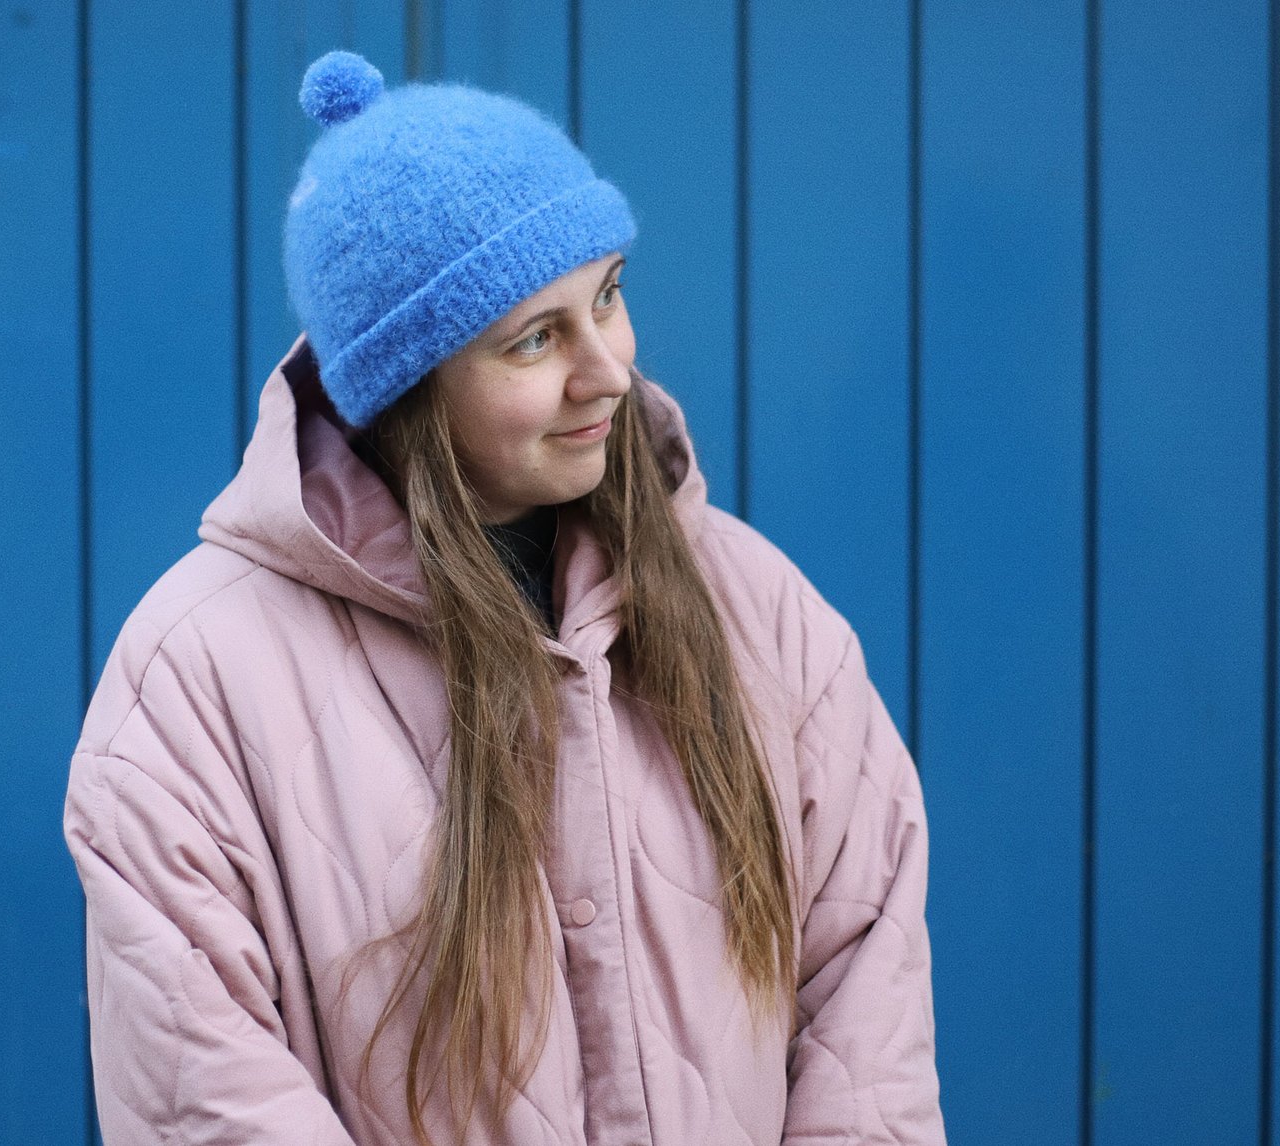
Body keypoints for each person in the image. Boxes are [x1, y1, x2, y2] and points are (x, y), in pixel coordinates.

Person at [64, 50, 945, 1146]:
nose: (610, 370)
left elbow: (868, 1020)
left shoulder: (755, 608)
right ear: (408, 390)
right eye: (535, 337)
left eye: (608, 297)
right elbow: (208, 1099)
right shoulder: (195, 684)